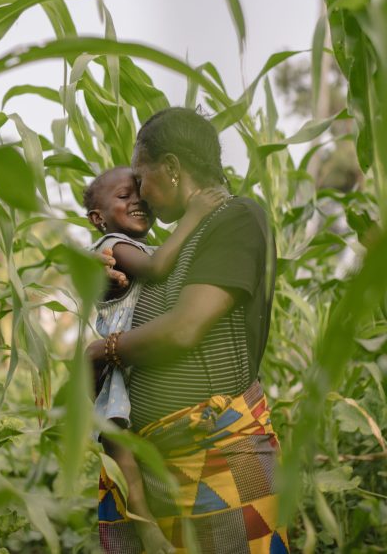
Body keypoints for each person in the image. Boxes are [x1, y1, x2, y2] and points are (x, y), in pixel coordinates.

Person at [88, 107, 289, 553]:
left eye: (141, 178)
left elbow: (184, 330)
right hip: (155, 474)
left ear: (174, 169)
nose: (139, 193)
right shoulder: (169, 246)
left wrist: (102, 350)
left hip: (223, 462)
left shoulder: (237, 218)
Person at [84, 165, 224, 554]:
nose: (137, 202)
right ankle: (144, 524)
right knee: (119, 445)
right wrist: (195, 216)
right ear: (98, 218)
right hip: (119, 363)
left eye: (140, 194)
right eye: (124, 197)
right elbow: (159, 267)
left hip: (132, 360)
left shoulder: (138, 244)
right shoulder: (113, 245)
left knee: (124, 442)